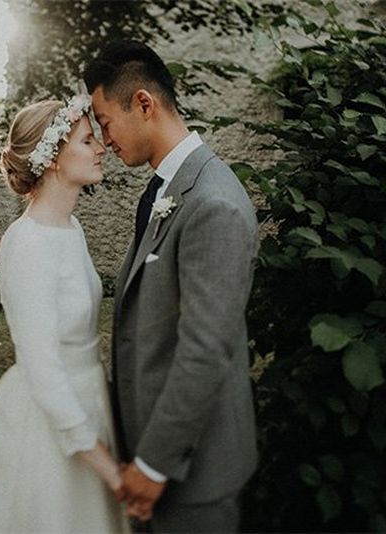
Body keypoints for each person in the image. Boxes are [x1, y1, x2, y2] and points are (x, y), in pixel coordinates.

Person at [83, 40, 260, 532]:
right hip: (155, 461)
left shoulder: (213, 203)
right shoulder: (167, 189)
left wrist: (153, 464)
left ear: (143, 104)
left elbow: (205, 348)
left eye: (105, 122)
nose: (105, 140)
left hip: (193, 475)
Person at [0, 96, 130, 533]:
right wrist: (109, 469)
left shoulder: (71, 228)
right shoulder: (27, 244)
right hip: (48, 421)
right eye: (87, 140)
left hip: (90, 398)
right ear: (54, 160)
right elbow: (42, 367)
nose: (101, 147)